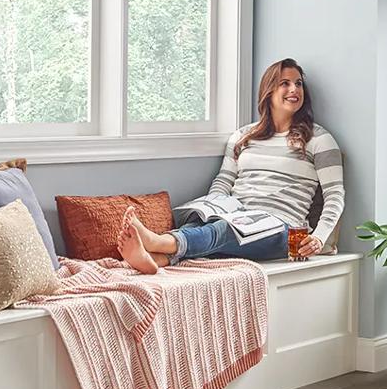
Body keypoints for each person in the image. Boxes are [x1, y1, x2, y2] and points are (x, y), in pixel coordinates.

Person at [116, 58, 345, 273]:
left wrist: (319, 237)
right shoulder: (244, 136)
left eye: (298, 84)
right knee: (203, 223)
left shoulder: (319, 140)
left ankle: (156, 240)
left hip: (280, 225)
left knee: (224, 231)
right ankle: (156, 260)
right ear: (269, 91)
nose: (294, 89)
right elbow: (224, 181)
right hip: (235, 213)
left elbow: (335, 195)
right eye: (285, 83)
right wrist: (214, 209)